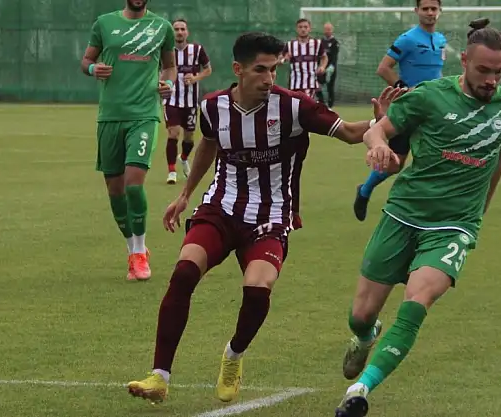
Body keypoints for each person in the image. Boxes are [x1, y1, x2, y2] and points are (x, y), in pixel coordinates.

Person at [125, 31, 404, 405]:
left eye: (274, 69)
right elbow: (209, 143)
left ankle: (234, 355)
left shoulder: (295, 106)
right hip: (221, 207)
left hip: (271, 215)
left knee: (258, 289)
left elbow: (352, 133)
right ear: (238, 69)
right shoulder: (213, 106)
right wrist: (185, 194)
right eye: (261, 69)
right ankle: (159, 376)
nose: (270, 78)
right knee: (184, 272)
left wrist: (380, 124)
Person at [334, 18, 501, 417]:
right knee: (361, 316)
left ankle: (360, 389)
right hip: (403, 214)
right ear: (464, 61)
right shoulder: (429, 96)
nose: (492, 80)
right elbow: (377, 131)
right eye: (484, 70)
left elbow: (500, 153)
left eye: (500, 72)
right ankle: (366, 337)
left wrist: (480, 210)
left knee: (417, 301)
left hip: (454, 226)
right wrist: (378, 147)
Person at [81, 0, 176, 281]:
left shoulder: (162, 27)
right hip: (110, 116)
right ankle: (132, 249)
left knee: (134, 185)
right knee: (115, 190)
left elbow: (170, 67)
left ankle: (139, 253)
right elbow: (86, 61)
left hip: (144, 115)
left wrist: (168, 84)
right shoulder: (104, 23)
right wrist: (92, 69)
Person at [352, 0, 447, 222]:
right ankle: (364, 190)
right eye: (425, 9)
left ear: (440, 11)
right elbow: (383, 68)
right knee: (395, 163)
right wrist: (404, 89)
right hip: (409, 109)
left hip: (434, 109)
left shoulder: (441, 39)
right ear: (417, 11)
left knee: (435, 157)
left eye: (434, 9)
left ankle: (427, 208)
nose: (430, 12)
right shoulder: (408, 39)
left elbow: (436, 72)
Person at [282, 18, 330, 230]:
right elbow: (283, 58)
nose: (303, 29)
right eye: (300, 27)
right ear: (297, 29)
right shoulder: (290, 45)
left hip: (310, 86)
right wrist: (283, 59)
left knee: (306, 116)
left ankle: (302, 136)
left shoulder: (317, 44)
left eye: (306, 27)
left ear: (310, 29)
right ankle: (298, 136)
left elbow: (324, 57)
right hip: (295, 87)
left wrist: (322, 67)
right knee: (295, 118)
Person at [164, 18, 212, 185]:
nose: (179, 32)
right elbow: (159, 70)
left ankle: (184, 158)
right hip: (171, 100)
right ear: (172, 32)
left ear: (187, 32)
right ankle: (171, 172)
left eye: (182, 29)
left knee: (189, 138)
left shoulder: (197, 50)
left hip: (190, 102)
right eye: (176, 29)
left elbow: (208, 69)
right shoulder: (166, 50)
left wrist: (195, 78)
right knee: (173, 133)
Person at [317, 22, 340, 108]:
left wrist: (331, 67)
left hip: (331, 69)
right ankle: (322, 103)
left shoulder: (335, 42)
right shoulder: (320, 42)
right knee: (317, 86)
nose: (327, 31)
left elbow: (334, 56)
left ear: (332, 30)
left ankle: (330, 107)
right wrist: (318, 66)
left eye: (329, 29)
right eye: (326, 29)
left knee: (330, 87)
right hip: (320, 68)